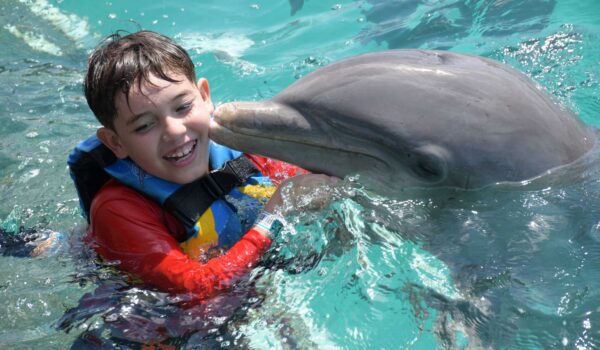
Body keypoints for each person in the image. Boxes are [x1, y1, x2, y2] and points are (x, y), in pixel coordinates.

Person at [69, 30, 336, 303]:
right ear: (115, 142)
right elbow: (195, 290)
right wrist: (273, 218)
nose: (174, 131)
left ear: (205, 96)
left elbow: (315, 181)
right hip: (159, 324)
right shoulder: (117, 210)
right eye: (144, 125)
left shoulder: (242, 149)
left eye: (183, 106)